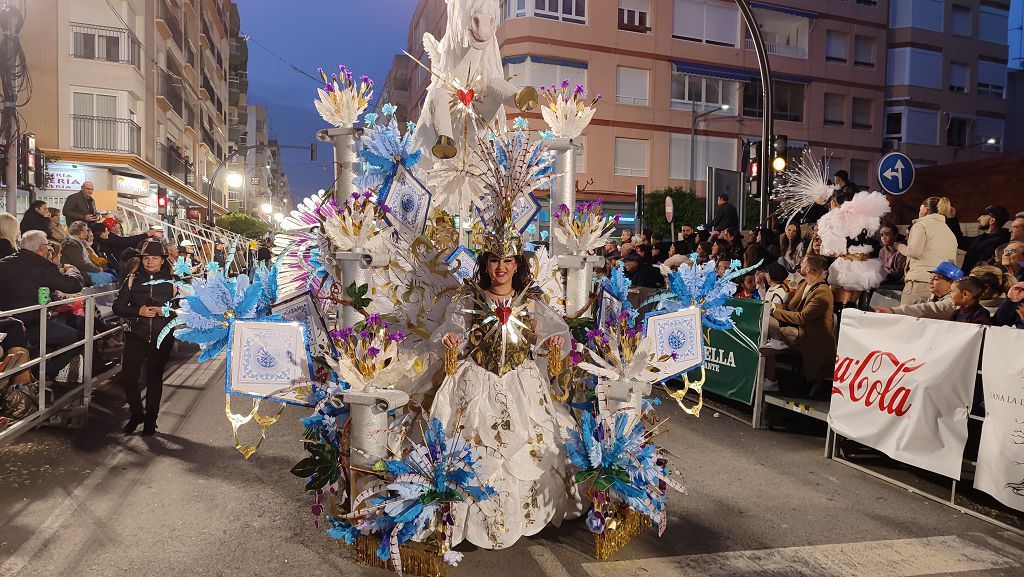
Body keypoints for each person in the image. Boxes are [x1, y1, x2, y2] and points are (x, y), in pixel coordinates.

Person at [436, 245, 578, 549]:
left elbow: (547, 341)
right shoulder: (469, 299)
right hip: (477, 381)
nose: (501, 267)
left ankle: (529, 516)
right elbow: (454, 333)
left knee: (534, 444)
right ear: (486, 265)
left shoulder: (532, 301)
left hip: (521, 383)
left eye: (508, 260)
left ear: (517, 265)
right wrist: (451, 340)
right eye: (495, 260)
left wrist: (551, 343)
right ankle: (471, 520)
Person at [0, 230, 85, 382]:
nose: (49, 248)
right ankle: (43, 373)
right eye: (47, 245)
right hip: (33, 323)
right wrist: (73, 270)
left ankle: (32, 369)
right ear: (41, 248)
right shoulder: (43, 266)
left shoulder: (4, 263)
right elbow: (73, 285)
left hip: (7, 324)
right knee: (76, 338)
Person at [112, 240, 177, 435]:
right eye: (146, 258)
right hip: (136, 334)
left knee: (154, 377)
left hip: (162, 335)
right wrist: (137, 311)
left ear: (162, 260)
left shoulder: (174, 282)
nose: (149, 262)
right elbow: (118, 306)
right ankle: (136, 413)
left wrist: (165, 311)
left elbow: (185, 308)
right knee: (129, 376)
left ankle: (151, 420)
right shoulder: (132, 280)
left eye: (154, 258)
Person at [759, 254, 836, 393]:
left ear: (808, 269)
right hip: (795, 330)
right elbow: (789, 307)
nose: (800, 264)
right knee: (763, 325)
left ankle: (771, 380)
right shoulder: (803, 284)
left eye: (803, 263)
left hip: (811, 337)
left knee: (765, 342)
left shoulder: (823, 292)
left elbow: (802, 318)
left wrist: (774, 311)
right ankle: (770, 378)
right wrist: (772, 306)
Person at [896, 196, 958, 305]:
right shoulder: (950, 232)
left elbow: (914, 252)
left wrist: (898, 246)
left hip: (919, 283)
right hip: (942, 287)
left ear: (924, 209)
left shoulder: (921, 225)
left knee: (907, 319)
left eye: (920, 210)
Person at [873, 261, 962, 319]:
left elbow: (929, 309)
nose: (930, 281)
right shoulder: (931, 298)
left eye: (935, 278)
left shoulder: (955, 302)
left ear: (951, 283)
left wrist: (894, 311)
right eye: (930, 278)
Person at [61, 222, 115, 287]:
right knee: (109, 278)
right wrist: (97, 269)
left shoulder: (80, 242)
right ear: (78, 231)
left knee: (112, 276)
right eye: (84, 230)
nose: (86, 233)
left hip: (87, 270)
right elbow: (81, 263)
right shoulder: (72, 244)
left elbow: (88, 259)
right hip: (81, 272)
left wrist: (98, 267)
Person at [961, 205, 1011, 273]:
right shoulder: (982, 238)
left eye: (983, 215)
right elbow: (959, 240)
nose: (978, 219)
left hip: (976, 281)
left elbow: (980, 267)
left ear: (992, 220)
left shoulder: (999, 242)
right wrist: (952, 218)